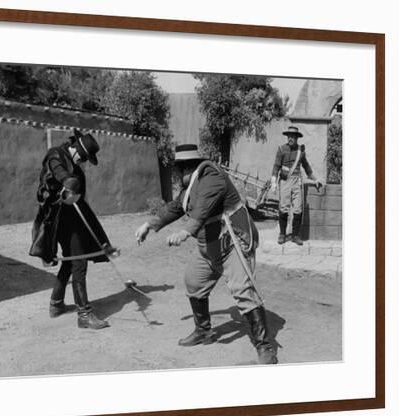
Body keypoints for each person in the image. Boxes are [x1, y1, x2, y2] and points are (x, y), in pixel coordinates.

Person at [135, 144, 278, 365]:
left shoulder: (211, 175)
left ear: (187, 166)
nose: (176, 174)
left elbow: (202, 209)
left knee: (243, 291)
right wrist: (149, 224)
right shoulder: (190, 186)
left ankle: (265, 345)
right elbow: (175, 207)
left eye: (178, 168)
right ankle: (204, 331)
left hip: (233, 241)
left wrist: (184, 232)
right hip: (209, 244)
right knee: (193, 282)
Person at [29, 129, 112, 330]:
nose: (83, 162)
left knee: (69, 261)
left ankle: (56, 304)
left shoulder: (74, 164)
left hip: (71, 218)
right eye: (83, 157)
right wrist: (68, 182)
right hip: (57, 219)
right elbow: (60, 173)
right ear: (76, 149)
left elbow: (77, 194)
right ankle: (84, 314)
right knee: (79, 262)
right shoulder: (56, 155)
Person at [270, 126, 321, 245]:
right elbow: (276, 166)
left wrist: (315, 179)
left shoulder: (301, 151)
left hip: (297, 181)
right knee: (283, 207)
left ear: (297, 138)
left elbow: (306, 166)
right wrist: (273, 181)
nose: (290, 138)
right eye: (289, 136)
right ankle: (282, 234)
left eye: (292, 136)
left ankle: (295, 235)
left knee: (298, 208)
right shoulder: (281, 149)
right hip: (285, 181)